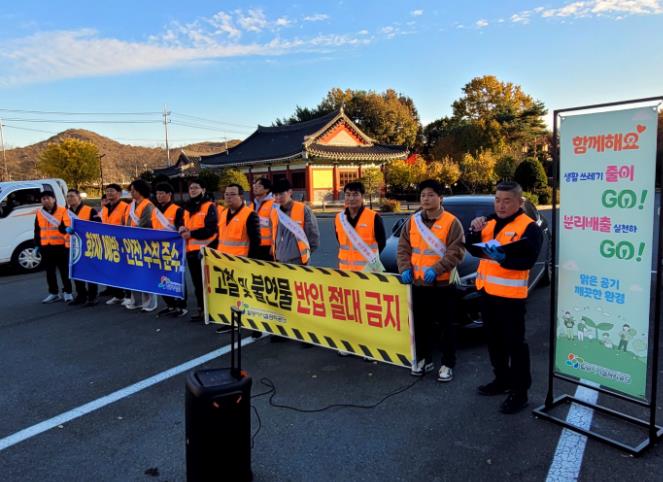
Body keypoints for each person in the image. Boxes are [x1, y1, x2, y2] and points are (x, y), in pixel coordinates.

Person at [466, 180, 543, 414]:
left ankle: (520, 393)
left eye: (507, 201)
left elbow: (528, 261)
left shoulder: (529, 228)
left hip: (511, 298)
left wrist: (504, 259)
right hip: (486, 293)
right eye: (497, 200)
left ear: (519, 202)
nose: (501, 205)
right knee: (494, 342)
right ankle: (501, 380)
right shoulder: (488, 221)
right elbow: (472, 247)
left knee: (515, 346)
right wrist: (473, 230)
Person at [397, 179, 465, 381]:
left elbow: (456, 251)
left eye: (430, 195)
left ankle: (447, 363)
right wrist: (404, 268)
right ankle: (424, 359)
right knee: (420, 326)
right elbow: (403, 248)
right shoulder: (413, 221)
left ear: (440, 198)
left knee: (446, 327)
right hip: (418, 284)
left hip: (442, 284)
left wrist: (437, 269)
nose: (426, 199)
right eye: (423, 195)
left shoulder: (452, 222)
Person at [179, 179, 218, 322]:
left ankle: (212, 311)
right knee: (197, 283)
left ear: (203, 189)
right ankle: (202, 309)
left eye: (196, 187)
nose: (193, 190)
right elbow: (183, 223)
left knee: (207, 283)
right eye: (191, 188)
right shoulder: (187, 207)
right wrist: (181, 227)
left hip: (204, 251)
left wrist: (191, 234)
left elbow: (211, 229)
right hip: (190, 251)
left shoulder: (209, 206)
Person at [152, 182, 188, 318]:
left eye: (162, 193)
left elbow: (180, 225)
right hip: (157, 249)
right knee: (160, 276)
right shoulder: (155, 211)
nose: (159, 196)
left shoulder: (177, 210)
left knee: (176, 276)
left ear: (169, 195)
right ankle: (170, 304)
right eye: (157, 193)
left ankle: (181, 306)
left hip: (174, 249)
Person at [121, 179, 158, 312]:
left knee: (145, 273)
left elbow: (146, 224)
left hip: (144, 243)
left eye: (134, 190)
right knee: (133, 274)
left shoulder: (148, 205)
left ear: (140, 191)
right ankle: (136, 301)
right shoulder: (130, 205)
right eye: (131, 190)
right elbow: (124, 222)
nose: (131, 192)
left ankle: (149, 302)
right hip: (130, 243)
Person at [335, 181, 386, 272]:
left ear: (362, 197)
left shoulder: (374, 217)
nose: (351, 198)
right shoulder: (339, 218)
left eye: (355, 194)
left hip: (368, 272)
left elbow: (382, 243)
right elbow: (341, 242)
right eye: (348, 195)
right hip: (345, 271)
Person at [34, 190, 73, 303]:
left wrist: (66, 229)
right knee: (49, 272)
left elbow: (67, 226)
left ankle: (68, 292)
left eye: (48, 198)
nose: (46, 200)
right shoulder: (39, 213)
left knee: (64, 271)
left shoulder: (63, 211)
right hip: (46, 247)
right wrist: (37, 245)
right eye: (43, 199)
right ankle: (54, 293)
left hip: (61, 246)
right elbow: (37, 230)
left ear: (54, 199)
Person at [269, 179, 320, 265]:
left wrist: (306, 255)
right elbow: (273, 234)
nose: (278, 197)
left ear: (290, 192)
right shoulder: (274, 212)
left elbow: (313, 237)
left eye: (281, 194)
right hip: (279, 260)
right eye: (276, 195)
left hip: (299, 261)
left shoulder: (303, 209)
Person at [64, 188, 100, 306]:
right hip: (72, 247)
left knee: (90, 272)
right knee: (76, 272)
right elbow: (60, 226)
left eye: (72, 196)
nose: (70, 198)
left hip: (87, 245)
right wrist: (65, 229)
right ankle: (81, 295)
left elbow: (98, 225)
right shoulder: (65, 212)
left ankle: (92, 296)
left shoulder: (90, 210)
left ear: (79, 197)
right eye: (68, 196)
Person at [102, 184, 131, 305]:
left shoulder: (126, 207)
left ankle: (129, 296)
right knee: (112, 270)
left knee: (125, 271)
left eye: (112, 191)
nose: (109, 193)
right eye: (107, 191)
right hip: (109, 243)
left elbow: (128, 225)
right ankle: (118, 295)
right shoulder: (105, 208)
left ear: (119, 193)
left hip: (122, 243)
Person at [250, 177, 275, 261]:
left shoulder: (274, 205)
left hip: (267, 247)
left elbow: (277, 227)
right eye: (254, 185)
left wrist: (274, 245)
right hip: (253, 245)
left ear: (267, 189)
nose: (255, 187)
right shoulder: (251, 205)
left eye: (259, 186)